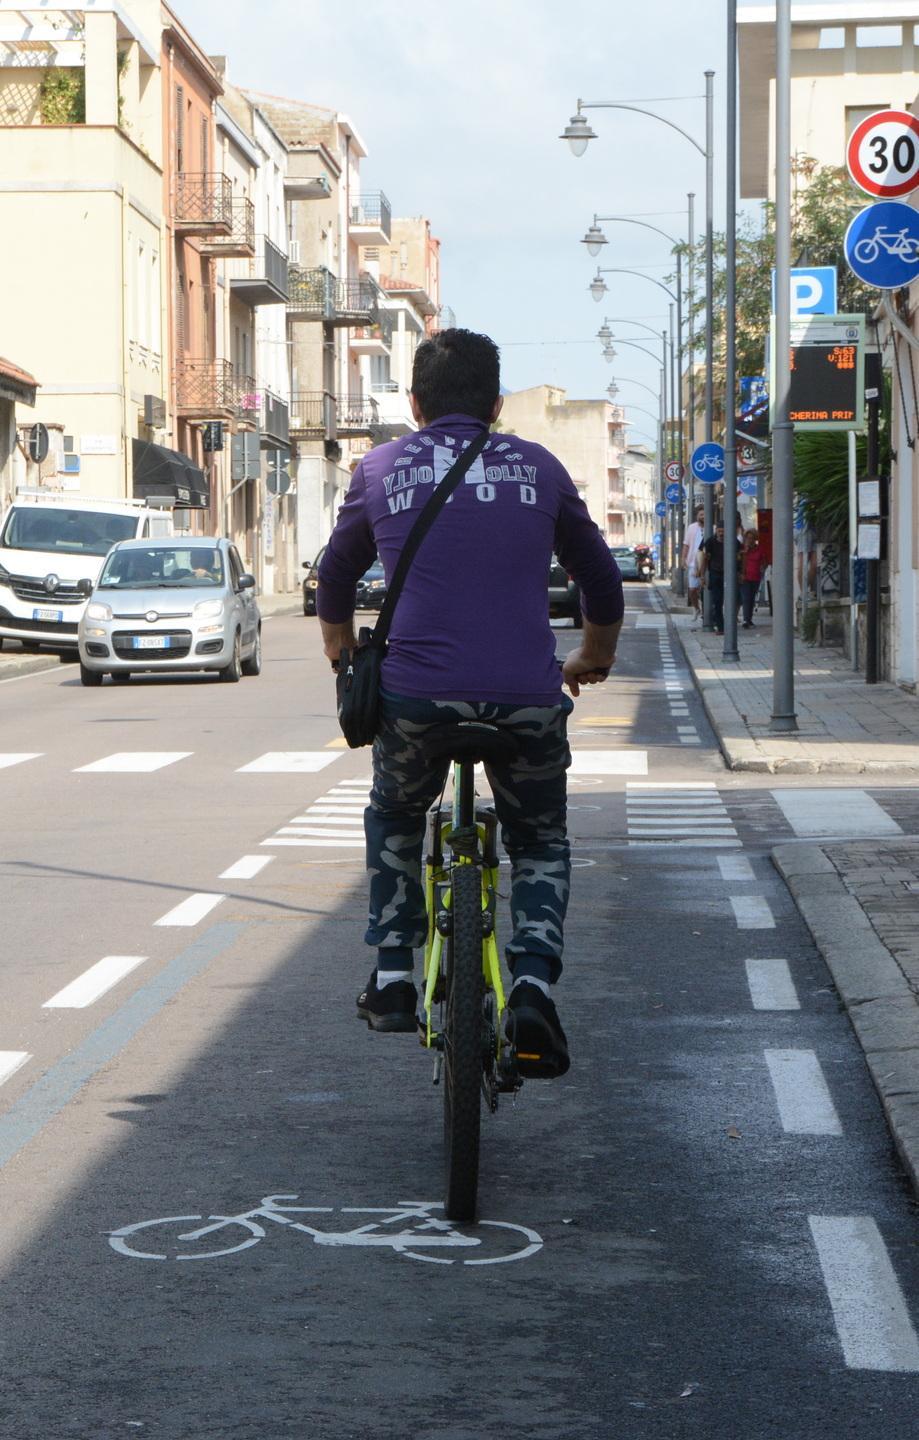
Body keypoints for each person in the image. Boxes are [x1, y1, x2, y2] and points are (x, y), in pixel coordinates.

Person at [317, 328, 623, 1078]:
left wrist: (339, 648)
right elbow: (600, 580)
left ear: (415, 404)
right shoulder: (541, 468)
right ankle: (531, 986)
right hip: (524, 698)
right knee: (540, 839)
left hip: (417, 700)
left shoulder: (381, 467)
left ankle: (392, 974)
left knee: (394, 811)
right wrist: (592, 657)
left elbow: (334, 574)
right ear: (493, 405)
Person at [698, 522, 739, 635]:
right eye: (719, 531)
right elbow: (705, 559)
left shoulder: (733, 541)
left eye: (723, 531)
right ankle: (720, 627)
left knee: (731, 600)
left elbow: (741, 556)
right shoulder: (710, 542)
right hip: (715, 574)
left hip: (729, 575)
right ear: (716, 531)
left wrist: (741, 572)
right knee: (717, 601)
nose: (721, 533)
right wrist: (702, 576)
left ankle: (730, 624)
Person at [681, 506, 704, 623]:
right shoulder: (691, 528)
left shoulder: (713, 527)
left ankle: (706, 611)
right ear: (697, 516)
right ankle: (696, 608)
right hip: (692, 563)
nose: (703, 517)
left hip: (706, 564)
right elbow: (686, 544)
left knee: (705, 588)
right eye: (701, 514)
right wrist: (683, 558)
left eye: (705, 514)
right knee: (692, 589)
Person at [739, 528, 765, 628]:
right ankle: (745, 620)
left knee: (751, 599)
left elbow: (763, 561)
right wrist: (744, 551)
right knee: (746, 598)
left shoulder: (759, 549)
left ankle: (749, 619)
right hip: (744, 577)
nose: (750, 540)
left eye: (752, 538)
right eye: (748, 538)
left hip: (756, 577)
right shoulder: (742, 549)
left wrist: (762, 568)